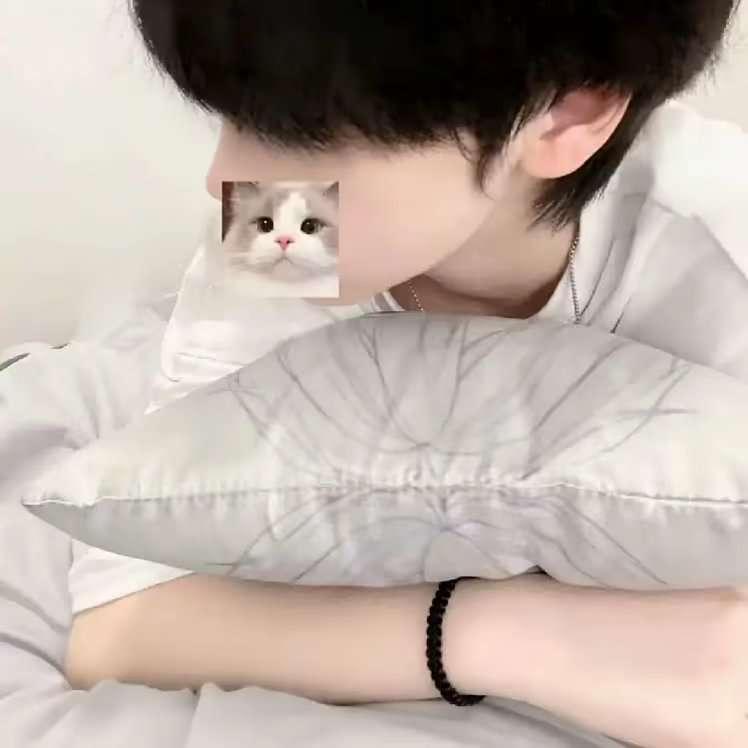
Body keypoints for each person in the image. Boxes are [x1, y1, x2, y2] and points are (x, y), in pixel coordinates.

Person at [66, 2, 748, 746]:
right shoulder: (284, 233)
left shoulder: (717, 240)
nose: (220, 179)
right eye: (231, 116)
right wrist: (505, 636)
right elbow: (118, 628)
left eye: (297, 133)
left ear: (565, 116)